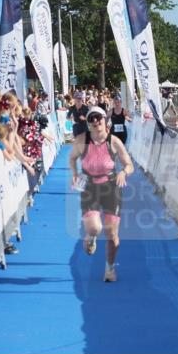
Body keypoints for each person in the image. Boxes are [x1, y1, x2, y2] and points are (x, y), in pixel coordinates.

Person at [68, 106, 135, 283]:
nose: (96, 121)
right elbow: (72, 158)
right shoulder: (82, 140)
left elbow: (129, 165)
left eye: (99, 118)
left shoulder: (114, 141)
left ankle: (109, 269)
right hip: (89, 186)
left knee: (112, 234)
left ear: (106, 121)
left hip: (111, 186)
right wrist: (74, 173)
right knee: (94, 228)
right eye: (92, 119)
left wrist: (123, 172)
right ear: (88, 124)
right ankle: (90, 237)